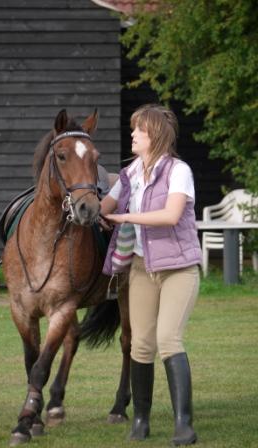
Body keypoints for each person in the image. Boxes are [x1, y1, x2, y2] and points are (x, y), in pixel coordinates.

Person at [100, 104, 202, 446]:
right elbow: (103, 208)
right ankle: (141, 421)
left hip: (179, 270)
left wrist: (126, 219)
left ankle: (183, 426)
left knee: (168, 339)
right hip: (142, 269)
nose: (132, 135)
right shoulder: (129, 175)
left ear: (154, 134)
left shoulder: (178, 171)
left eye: (137, 130)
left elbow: (171, 215)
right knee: (140, 345)